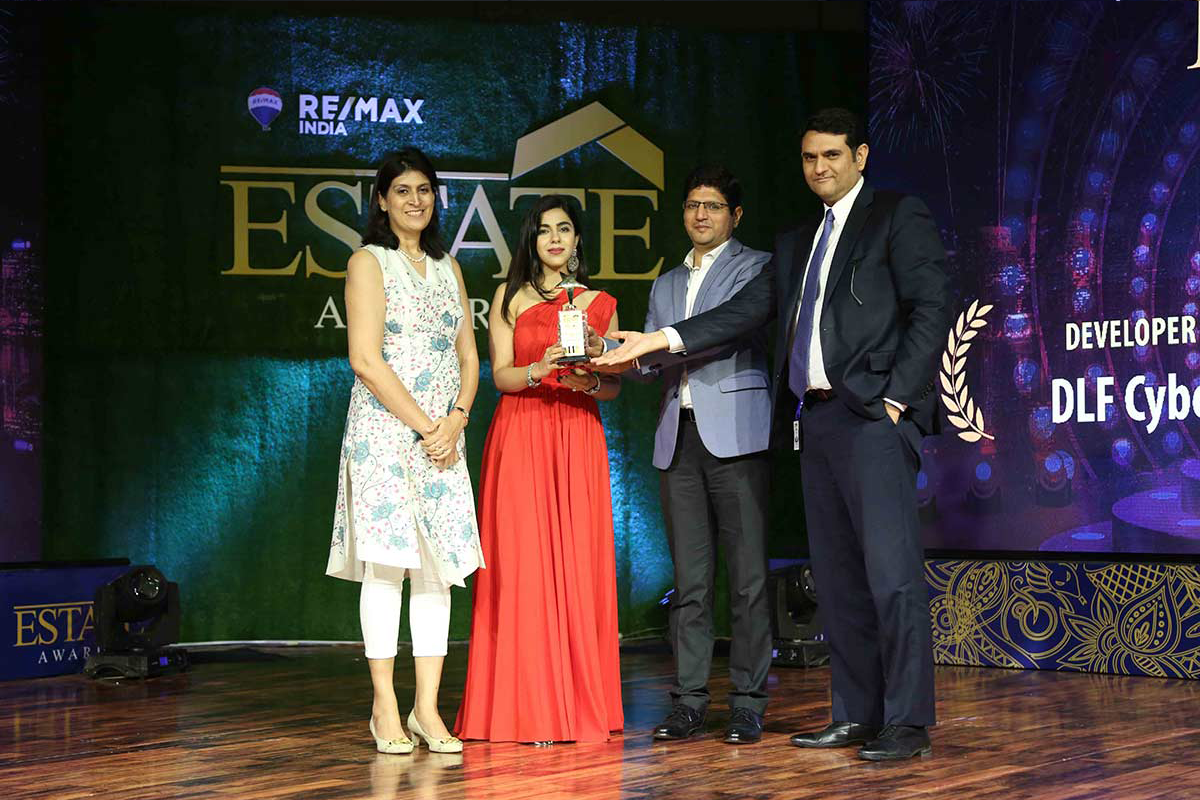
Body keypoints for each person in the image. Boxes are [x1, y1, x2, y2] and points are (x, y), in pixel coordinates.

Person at [595, 109, 950, 761]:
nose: (820, 167)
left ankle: (906, 723)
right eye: (810, 157)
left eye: (833, 155)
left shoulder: (897, 215)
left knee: (891, 576)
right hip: (816, 421)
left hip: (874, 416)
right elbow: (743, 313)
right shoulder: (797, 241)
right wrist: (660, 340)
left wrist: (899, 398)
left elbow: (931, 307)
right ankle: (855, 714)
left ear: (860, 156)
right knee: (837, 579)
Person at [600, 166, 773, 744]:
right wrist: (617, 356)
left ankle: (747, 702)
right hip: (679, 437)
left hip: (737, 435)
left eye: (714, 206)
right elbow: (652, 363)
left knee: (747, 579)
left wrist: (657, 344)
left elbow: (724, 329)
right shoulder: (666, 282)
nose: (702, 214)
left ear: (735, 215)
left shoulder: (757, 268)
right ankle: (689, 701)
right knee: (690, 582)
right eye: (694, 205)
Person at [327, 148, 483, 755]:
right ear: (382, 201)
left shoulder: (449, 267)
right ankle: (385, 705)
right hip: (386, 434)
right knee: (387, 568)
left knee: (437, 571)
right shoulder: (369, 262)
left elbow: (468, 355)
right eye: (402, 191)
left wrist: (456, 419)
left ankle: (426, 707)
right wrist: (426, 427)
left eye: (424, 190)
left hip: (443, 437)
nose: (415, 201)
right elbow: (365, 359)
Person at [455, 195, 624, 744]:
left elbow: (615, 384)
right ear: (531, 240)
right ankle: (526, 708)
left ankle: (576, 706)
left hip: (576, 435)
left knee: (576, 564)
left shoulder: (600, 303)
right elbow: (501, 376)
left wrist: (589, 380)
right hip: (522, 432)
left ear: (577, 240)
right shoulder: (509, 296)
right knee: (522, 566)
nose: (554, 238)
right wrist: (538, 368)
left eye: (564, 229)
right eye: (544, 229)